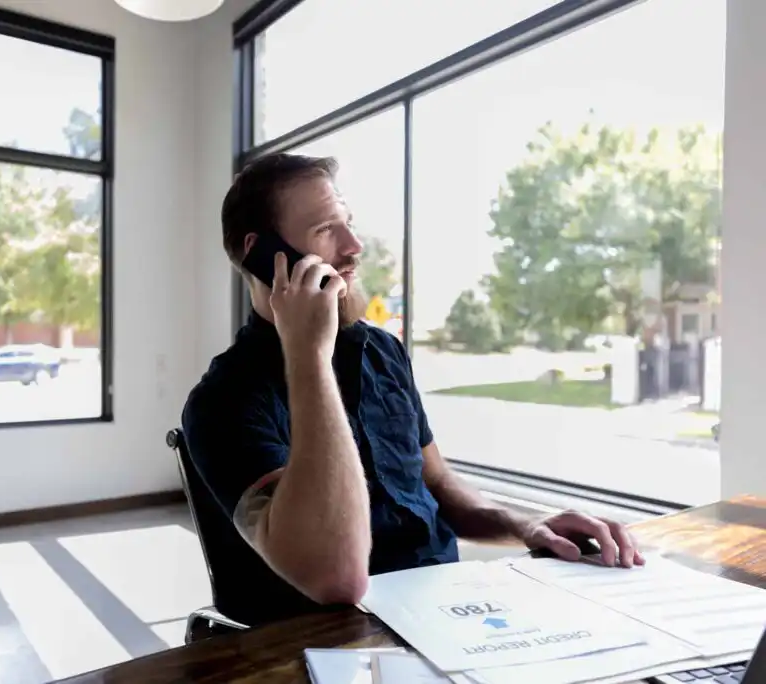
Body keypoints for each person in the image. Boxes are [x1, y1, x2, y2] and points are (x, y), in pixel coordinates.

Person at [181, 152, 644, 628]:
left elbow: (436, 483)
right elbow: (335, 577)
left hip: (444, 611)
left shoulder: (383, 352)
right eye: (325, 230)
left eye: (349, 223)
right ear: (262, 255)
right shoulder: (221, 402)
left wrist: (525, 524)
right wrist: (309, 356)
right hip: (328, 640)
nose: (355, 246)